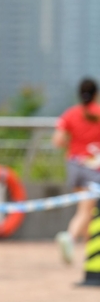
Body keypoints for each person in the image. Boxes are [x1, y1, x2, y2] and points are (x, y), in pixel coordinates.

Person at [53, 78, 100, 264]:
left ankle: (90, 254)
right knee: (86, 210)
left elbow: (57, 141)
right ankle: (70, 237)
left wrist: (73, 142)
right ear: (96, 94)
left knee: (86, 209)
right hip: (93, 168)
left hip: (74, 166)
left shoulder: (70, 114)